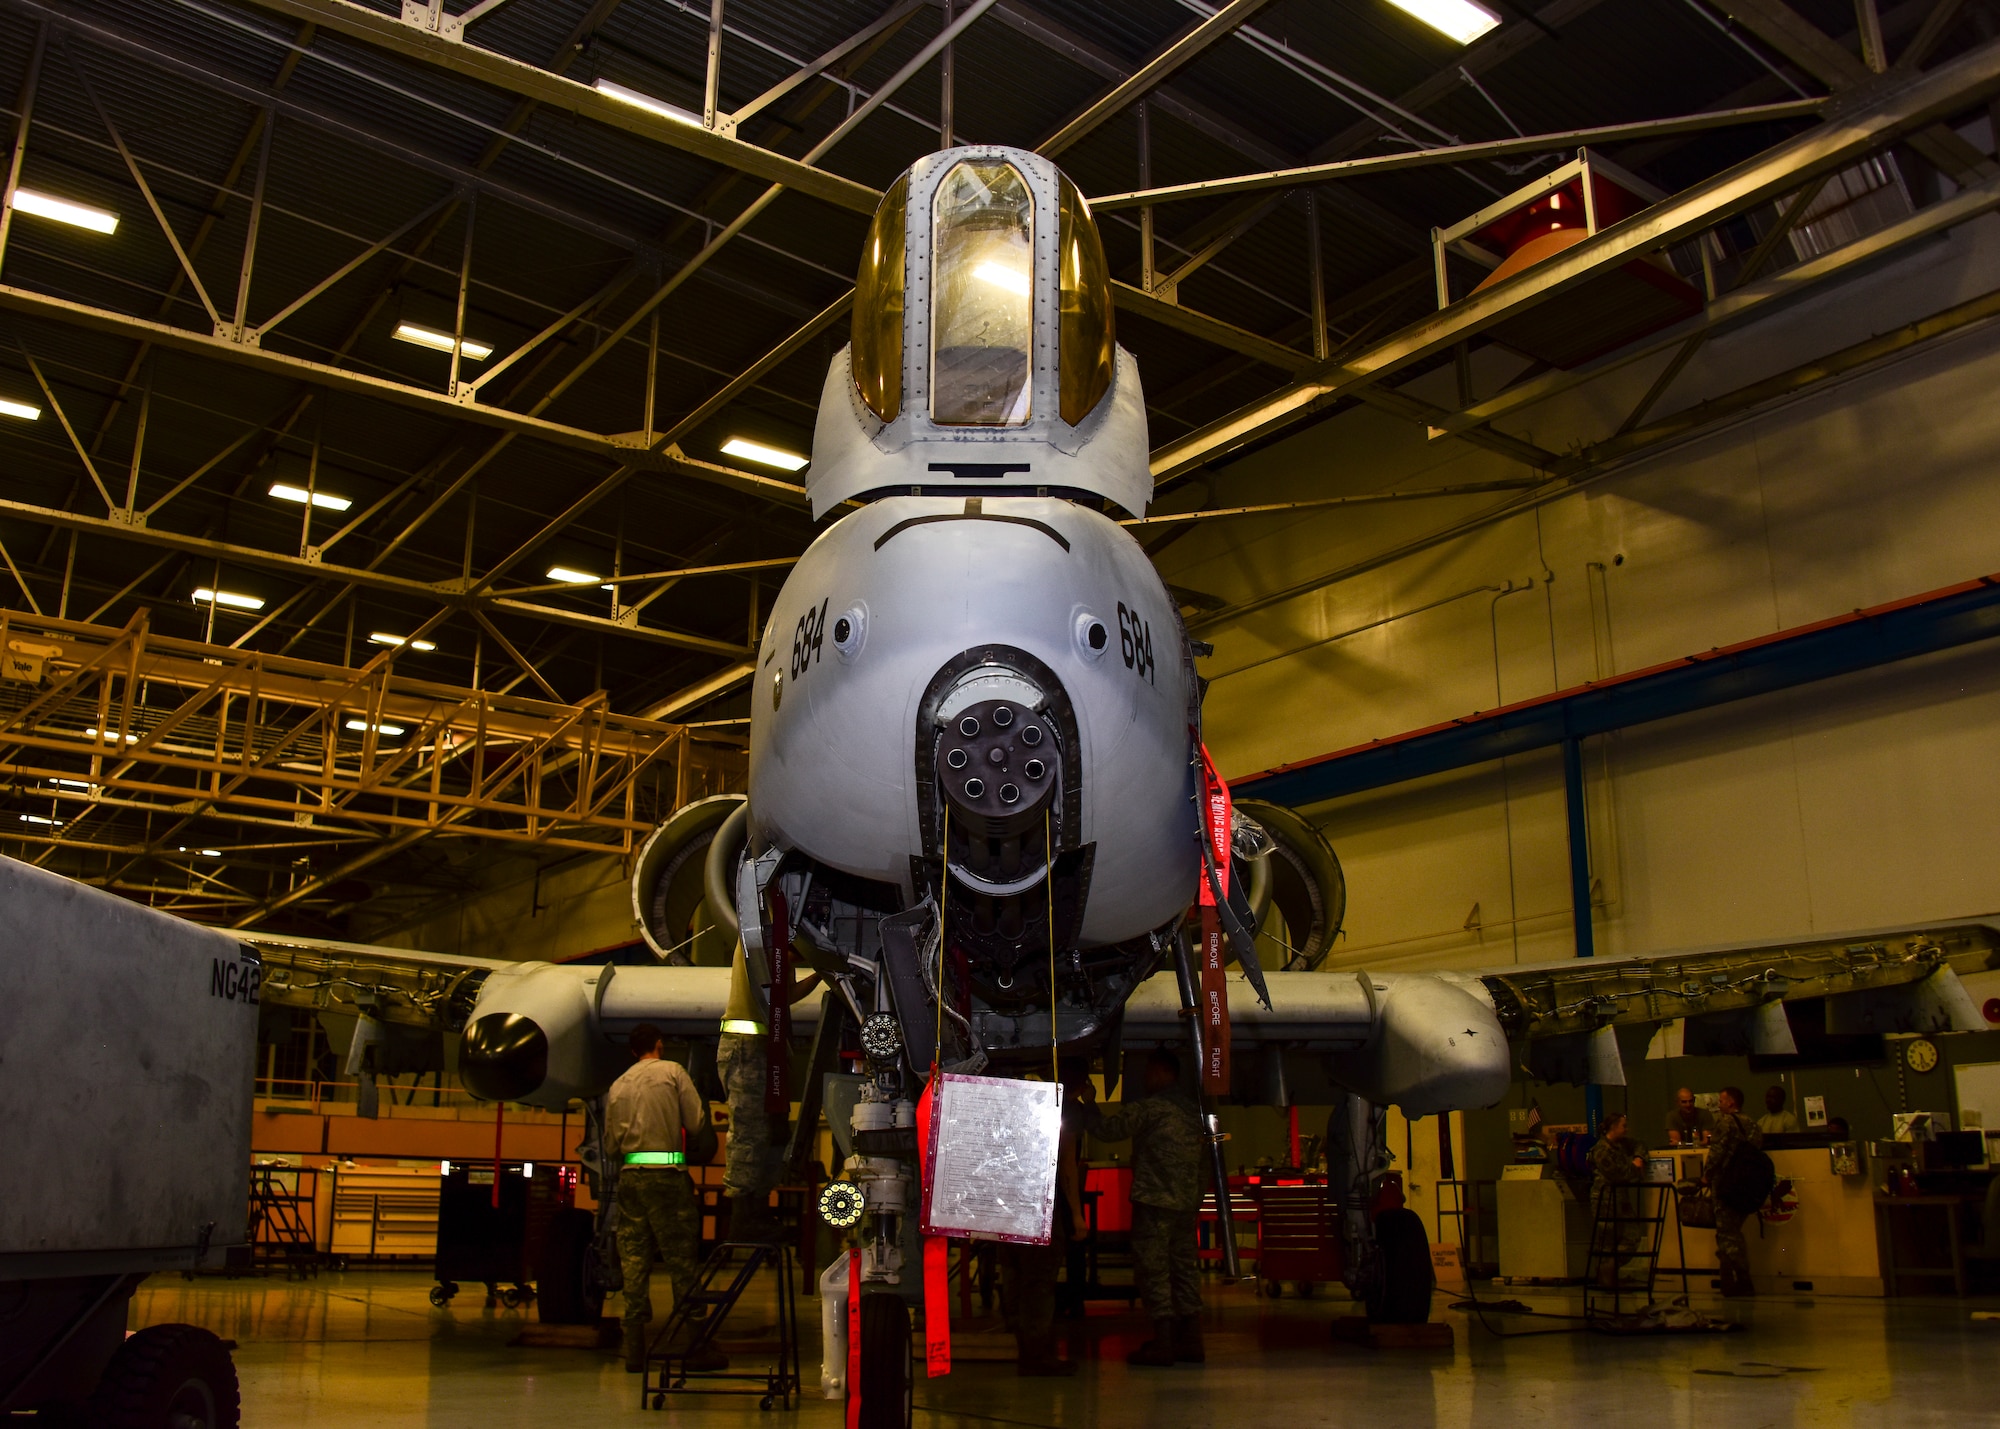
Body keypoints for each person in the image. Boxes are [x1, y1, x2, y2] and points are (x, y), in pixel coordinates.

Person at [607, 1022, 724, 1373]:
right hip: (667, 1180)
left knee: (634, 1259)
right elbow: (696, 1121)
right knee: (681, 1260)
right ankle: (695, 1344)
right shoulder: (673, 1072)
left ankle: (634, 1350)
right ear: (659, 1044)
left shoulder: (618, 1085)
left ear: (632, 1050)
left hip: (630, 1180)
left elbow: (612, 1144)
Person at [1077, 1049, 1205, 1367]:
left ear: (1162, 1073)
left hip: (1155, 1203)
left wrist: (1088, 1104)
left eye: (1148, 1073)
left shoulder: (1151, 1109)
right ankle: (1190, 1341)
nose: (1145, 1079)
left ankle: (1163, 1343)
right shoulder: (1192, 1111)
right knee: (1184, 1270)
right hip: (1186, 1205)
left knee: (1154, 1270)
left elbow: (1108, 1132)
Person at [716, 939, 819, 1243]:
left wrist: (821, 975)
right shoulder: (760, 929)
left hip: (766, 1051)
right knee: (750, 1131)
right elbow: (786, 950)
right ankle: (742, 1215)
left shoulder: (779, 952)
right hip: (746, 1047)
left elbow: (786, 996)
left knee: (774, 1133)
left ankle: (757, 1209)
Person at [1000, 1064, 1088, 1376]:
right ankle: (1036, 1353)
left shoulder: (1014, 1101)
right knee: (1039, 1280)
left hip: (1007, 1201)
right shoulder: (1064, 1109)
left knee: (1013, 1274)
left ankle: (1018, 1343)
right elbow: (1067, 1165)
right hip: (1040, 1202)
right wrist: (1077, 1215)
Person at [1706, 1085, 1764, 1298]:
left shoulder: (1725, 1122)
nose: (1719, 1104)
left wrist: (1706, 1175)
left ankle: (1735, 1281)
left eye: (1721, 1100)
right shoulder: (1753, 1125)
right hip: (1746, 1187)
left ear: (1731, 1102)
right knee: (1734, 1232)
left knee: (1726, 1234)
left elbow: (1717, 1153)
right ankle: (1736, 1280)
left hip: (1725, 1185)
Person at [1588, 1113, 1649, 1287]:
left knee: (1632, 1237)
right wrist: (1635, 1168)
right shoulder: (1601, 1151)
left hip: (1621, 1199)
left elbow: (1640, 1144)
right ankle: (1606, 1277)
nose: (1626, 1129)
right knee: (1606, 1241)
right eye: (1623, 1126)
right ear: (1613, 1127)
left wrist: (1639, 1158)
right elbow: (1620, 1174)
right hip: (1605, 1200)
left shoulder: (1621, 1145)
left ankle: (1610, 1268)